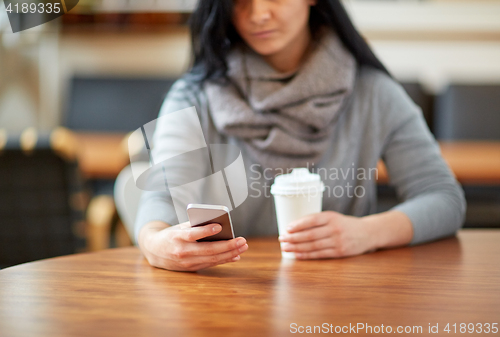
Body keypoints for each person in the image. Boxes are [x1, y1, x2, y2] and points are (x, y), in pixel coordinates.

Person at [135, 0, 466, 271]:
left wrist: (367, 233)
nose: (258, 13)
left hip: (344, 294)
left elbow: (444, 199)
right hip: (232, 295)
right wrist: (155, 244)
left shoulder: (373, 93)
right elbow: (159, 201)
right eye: (239, 1)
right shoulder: (195, 95)